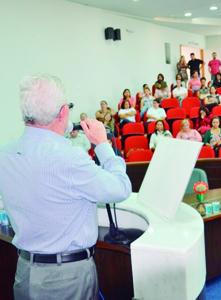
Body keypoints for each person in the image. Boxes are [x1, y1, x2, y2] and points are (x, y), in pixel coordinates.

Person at [0, 74, 131, 299]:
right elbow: (120, 188)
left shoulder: (6, 154)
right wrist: (103, 145)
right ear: (63, 112)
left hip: (25, 272)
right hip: (66, 278)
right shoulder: (70, 158)